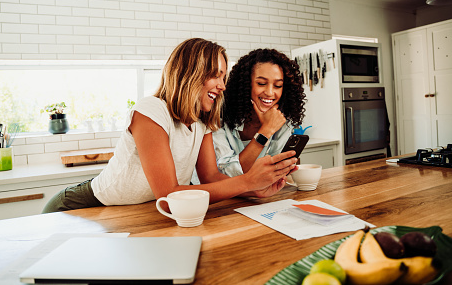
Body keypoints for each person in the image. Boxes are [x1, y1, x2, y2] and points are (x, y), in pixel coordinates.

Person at [43, 38, 298, 213]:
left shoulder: (202, 121)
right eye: (214, 75)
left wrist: (254, 190)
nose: (221, 86)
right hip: (81, 207)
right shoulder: (151, 110)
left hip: (137, 211)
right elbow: (168, 197)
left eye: (223, 76)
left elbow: (212, 178)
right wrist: (248, 182)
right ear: (190, 73)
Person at [212, 48, 306, 178]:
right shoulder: (219, 118)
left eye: (278, 86)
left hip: (260, 195)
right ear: (246, 84)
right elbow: (227, 175)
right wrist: (266, 130)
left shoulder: (283, 122)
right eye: (261, 83)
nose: (269, 92)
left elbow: (273, 172)